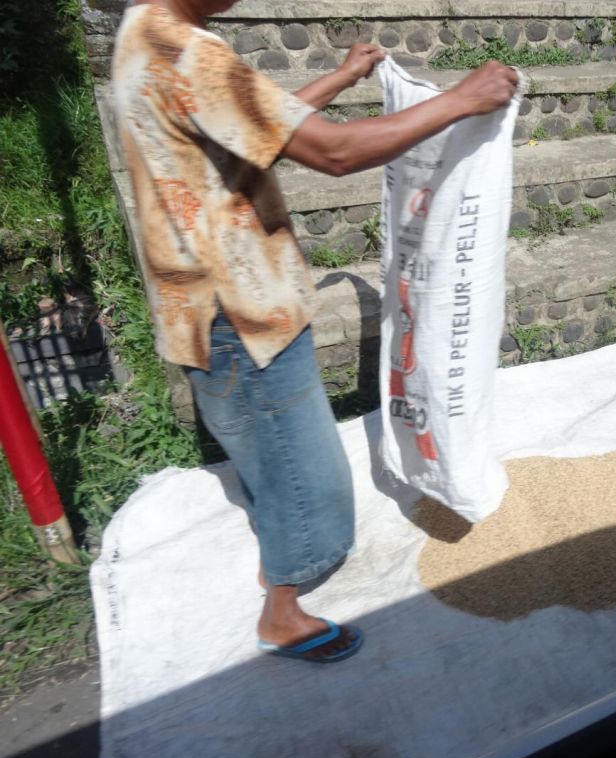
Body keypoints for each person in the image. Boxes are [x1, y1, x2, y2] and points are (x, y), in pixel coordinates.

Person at [111, 0, 518, 662]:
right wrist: (462, 100)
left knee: (263, 453)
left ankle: (278, 538)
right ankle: (283, 609)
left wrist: (336, 78)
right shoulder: (189, 52)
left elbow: (252, 125)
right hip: (242, 315)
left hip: (197, 304)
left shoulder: (143, 31)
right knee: (310, 482)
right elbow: (331, 152)